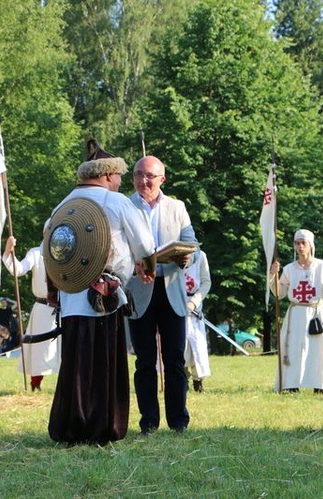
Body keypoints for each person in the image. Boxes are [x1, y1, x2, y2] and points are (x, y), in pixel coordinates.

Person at [47, 152, 155, 445]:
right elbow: (146, 244)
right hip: (103, 298)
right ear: (107, 174)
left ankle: (70, 426)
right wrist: (145, 264)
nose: (121, 181)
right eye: (118, 175)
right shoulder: (116, 202)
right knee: (102, 363)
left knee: (75, 363)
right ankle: (101, 427)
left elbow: (50, 248)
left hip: (71, 298)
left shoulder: (62, 204)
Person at [126, 155, 198, 435]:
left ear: (162, 179)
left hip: (171, 290)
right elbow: (117, 244)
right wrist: (132, 263)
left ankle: (178, 421)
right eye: (138, 174)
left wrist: (185, 258)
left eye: (149, 176)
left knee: (175, 360)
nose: (143, 180)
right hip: (139, 290)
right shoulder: (125, 206)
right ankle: (148, 422)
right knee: (144, 361)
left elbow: (192, 243)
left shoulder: (177, 208)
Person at [269, 229, 323, 394]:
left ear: (310, 245)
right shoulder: (289, 269)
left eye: (303, 243)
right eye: (297, 243)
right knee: (293, 349)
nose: (300, 246)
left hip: (316, 313)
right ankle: (291, 384)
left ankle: (320, 385)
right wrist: (273, 275)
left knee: (319, 350)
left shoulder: (322, 266)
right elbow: (279, 293)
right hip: (295, 314)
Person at [3, 232, 61, 391]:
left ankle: (68, 385)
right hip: (44, 308)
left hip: (67, 307)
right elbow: (19, 269)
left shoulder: (69, 253)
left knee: (67, 348)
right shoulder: (36, 253)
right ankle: (36, 384)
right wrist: (8, 252)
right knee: (40, 349)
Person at [184, 250, 212, 393]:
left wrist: (194, 302)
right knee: (179, 346)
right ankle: (181, 380)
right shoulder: (170, 255)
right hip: (175, 304)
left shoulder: (201, 256)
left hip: (194, 308)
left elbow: (206, 282)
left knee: (197, 346)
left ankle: (198, 381)